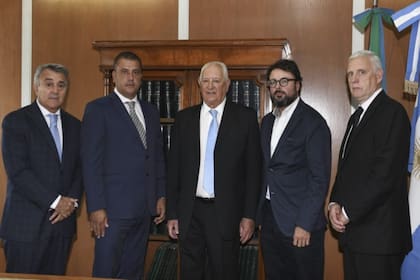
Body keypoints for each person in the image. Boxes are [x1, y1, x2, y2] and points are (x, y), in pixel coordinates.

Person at [166, 61, 262, 280]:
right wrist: (172, 213)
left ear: (227, 85)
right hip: (190, 212)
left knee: (224, 272)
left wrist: (249, 216)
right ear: (199, 85)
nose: (210, 86)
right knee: (190, 273)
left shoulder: (245, 118)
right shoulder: (184, 119)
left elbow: (253, 173)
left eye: (216, 81)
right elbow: (174, 171)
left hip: (226, 213)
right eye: (206, 81)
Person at [81, 51, 166, 280]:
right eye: (125, 72)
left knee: (133, 271)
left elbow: (156, 158)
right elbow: (90, 162)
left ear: (141, 77)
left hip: (143, 209)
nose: (131, 77)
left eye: (136, 72)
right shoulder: (98, 109)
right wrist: (96, 207)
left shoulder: (150, 111)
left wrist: (160, 195)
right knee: (106, 271)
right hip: (111, 213)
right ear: (114, 76)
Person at [329, 50, 412, 280]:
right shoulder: (356, 117)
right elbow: (345, 170)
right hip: (355, 236)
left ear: (378, 75)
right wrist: (334, 202)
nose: (353, 79)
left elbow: (384, 176)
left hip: (380, 238)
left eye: (361, 73)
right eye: (350, 74)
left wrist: (347, 211)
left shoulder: (393, 113)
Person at [0, 63, 82, 275]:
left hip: (62, 226)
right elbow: (18, 172)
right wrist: (57, 202)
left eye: (61, 85)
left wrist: (70, 202)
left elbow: (80, 169)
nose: (55, 90)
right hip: (25, 226)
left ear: (67, 89)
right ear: (37, 87)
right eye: (49, 84)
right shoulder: (16, 121)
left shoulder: (76, 125)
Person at [256, 59, 331, 280]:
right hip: (270, 220)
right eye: (273, 82)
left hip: (300, 224)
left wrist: (304, 224)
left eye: (284, 81)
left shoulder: (313, 122)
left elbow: (320, 179)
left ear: (298, 85)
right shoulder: (267, 123)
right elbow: (266, 170)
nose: (278, 87)